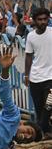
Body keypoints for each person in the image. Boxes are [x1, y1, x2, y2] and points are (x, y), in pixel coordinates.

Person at [24, 8, 52, 136]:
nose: (43, 22)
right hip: (35, 78)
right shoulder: (31, 36)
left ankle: (39, 131)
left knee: (49, 106)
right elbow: (29, 56)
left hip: (50, 78)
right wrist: (26, 75)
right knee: (40, 108)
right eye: (40, 20)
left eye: (45, 19)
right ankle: (45, 131)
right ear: (35, 21)